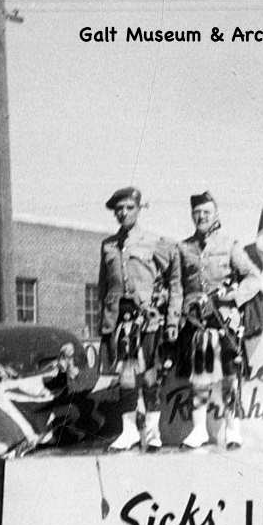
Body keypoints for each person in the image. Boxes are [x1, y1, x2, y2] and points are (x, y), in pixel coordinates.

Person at [177, 191, 263, 449]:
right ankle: (199, 431)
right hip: (198, 322)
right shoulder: (183, 248)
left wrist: (233, 295)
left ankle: (233, 429)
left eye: (206, 212)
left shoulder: (229, 245)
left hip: (225, 319)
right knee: (199, 377)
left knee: (230, 374)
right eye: (197, 213)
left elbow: (253, 277)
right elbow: (177, 285)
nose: (201, 217)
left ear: (216, 215)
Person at [98, 187, 181, 451]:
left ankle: (153, 432)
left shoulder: (154, 241)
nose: (123, 213)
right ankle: (129, 431)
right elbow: (103, 286)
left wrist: (171, 316)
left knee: (149, 376)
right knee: (126, 377)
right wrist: (107, 320)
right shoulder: (108, 245)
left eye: (129, 208)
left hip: (148, 320)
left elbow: (176, 279)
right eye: (119, 209)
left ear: (139, 209)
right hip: (120, 322)